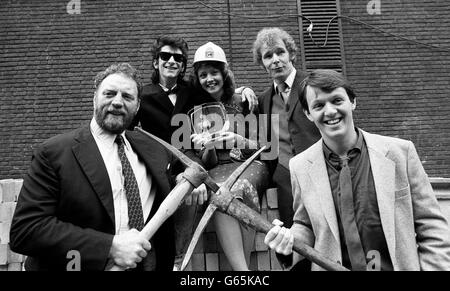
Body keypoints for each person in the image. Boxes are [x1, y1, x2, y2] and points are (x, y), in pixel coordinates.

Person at [264, 69, 450, 271]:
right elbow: (305, 224)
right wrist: (288, 241)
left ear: (352, 102)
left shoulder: (400, 153)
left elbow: (432, 226)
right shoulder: (300, 166)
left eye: (337, 100)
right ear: (308, 114)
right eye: (318, 105)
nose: (330, 111)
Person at [9, 63, 182, 271]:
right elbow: (26, 230)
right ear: (94, 99)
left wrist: (184, 179)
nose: (117, 102)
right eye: (109, 93)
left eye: (127, 97)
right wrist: (110, 247)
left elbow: (179, 175)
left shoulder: (154, 149)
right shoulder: (53, 153)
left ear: (137, 107)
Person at [134, 36, 259, 268]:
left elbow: (218, 89)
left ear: (182, 65)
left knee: (191, 195)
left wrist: (244, 89)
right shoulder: (141, 95)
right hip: (157, 166)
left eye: (178, 58)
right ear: (155, 62)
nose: (171, 61)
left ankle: (180, 261)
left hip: (190, 163)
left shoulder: (191, 91)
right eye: (165, 56)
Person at [189, 42, 270, 271]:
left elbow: (264, 147)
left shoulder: (244, 102)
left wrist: (237, 140)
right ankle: (242, 273)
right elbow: (208, 163)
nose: (209, 79)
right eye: (203, 74)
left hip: (250, 165)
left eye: (214, 72)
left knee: (235, 188)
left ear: (224, 74)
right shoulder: (196, 110)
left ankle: (241, 273)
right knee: (221, 191)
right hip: (218, 171)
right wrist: (207, 147)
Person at [252, 27, 321, 229]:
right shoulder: (263, 100)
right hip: (284, 180)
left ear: (291, 54)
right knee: (293, 239)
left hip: (318, 170)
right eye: (268, 56)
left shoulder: (313, 85)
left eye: (280, 52)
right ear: (262, 63)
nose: (275, 59)